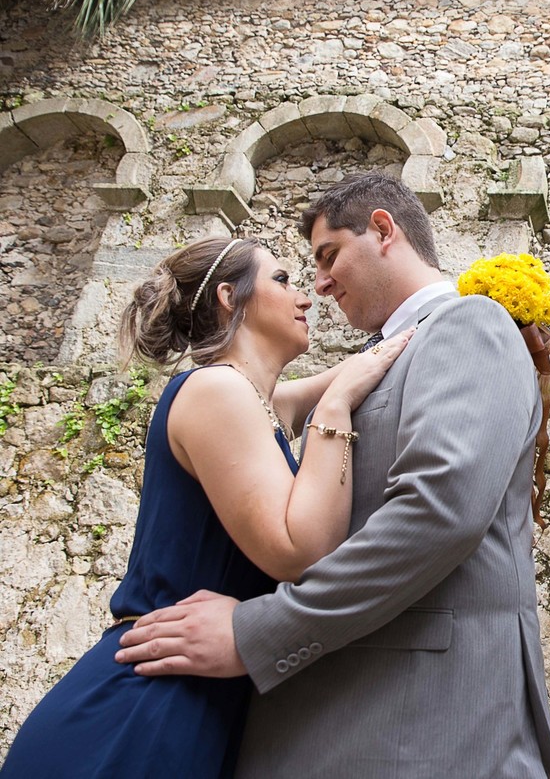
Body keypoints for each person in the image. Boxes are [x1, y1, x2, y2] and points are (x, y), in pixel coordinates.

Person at [115, 173, 550, 779]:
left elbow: (438, 512)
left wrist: (256, 632)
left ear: (383, 230)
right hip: (339, 723)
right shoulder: (376, 361)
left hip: (422, 730)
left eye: (328, 257)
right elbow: (257, 404)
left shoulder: (470, 325)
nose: (319, 285)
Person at [0, 237, 409, 778]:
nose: (307, 295)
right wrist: (335, 408)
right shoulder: (215, 390)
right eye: (283, 280)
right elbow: (299, 552)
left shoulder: (252, 399)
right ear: (228, 296)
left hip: (191, 695)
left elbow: (370, 362)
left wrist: (469, 308)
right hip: (147, 703)